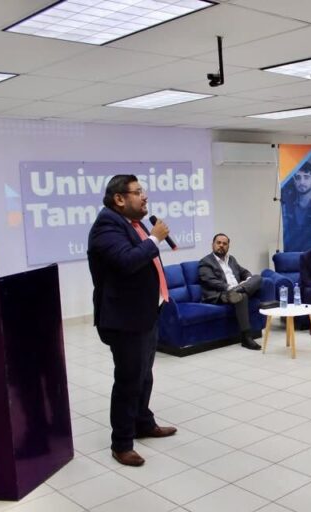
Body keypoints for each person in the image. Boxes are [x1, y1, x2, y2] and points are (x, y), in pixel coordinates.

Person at [87, 175, 177, 467]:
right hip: (124, 320)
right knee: (128, 380)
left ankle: (143, 422)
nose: (145, 198)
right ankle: (122, 443)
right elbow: (127, 261)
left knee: (144, 374)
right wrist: (155, 239)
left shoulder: (132, 224)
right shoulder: (106, 227)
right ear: (119, 199)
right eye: (138, 192)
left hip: (146, 313)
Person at [198, 233, 262, 350]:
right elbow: (210, 281)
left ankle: (239, 290)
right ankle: (246, 338)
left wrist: (247, 279)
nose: (221, 245)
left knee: (258, 278)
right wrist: (228, 287)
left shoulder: (231, 259)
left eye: (224, 244)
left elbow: (245, 272)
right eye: (218, 243)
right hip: (220, 294)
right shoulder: (205, 262)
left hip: (236, 290)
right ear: (212, 245)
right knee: (241, 296)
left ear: (228, 247)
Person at [282, 162, 311, 252]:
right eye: (298, 178)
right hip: (292, 256)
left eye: (306, 177)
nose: (302, 182)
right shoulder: (287, 207)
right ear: (294, 181)